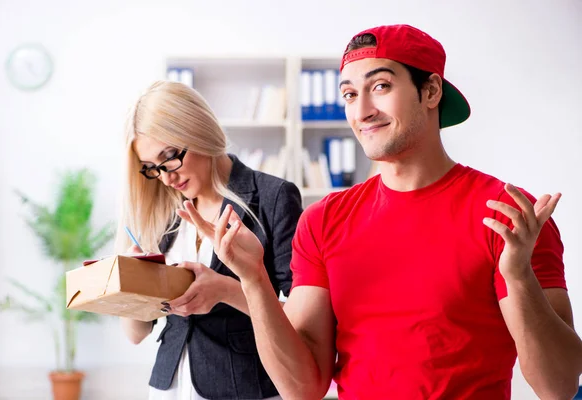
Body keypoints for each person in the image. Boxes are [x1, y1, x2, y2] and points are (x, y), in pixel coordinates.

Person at [180, 24, 582, 399]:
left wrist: (519, 277)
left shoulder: (506, 215)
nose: (362, 111)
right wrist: (253, 278)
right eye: (351, 95)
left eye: (381, 86)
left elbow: (559, 386)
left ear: (431, 92)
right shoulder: (323, 220)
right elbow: (304, 386)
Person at [116, 81, 302, 400]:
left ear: (198, 130)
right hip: (168, 387)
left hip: (243, 387)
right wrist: (133, 289)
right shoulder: (166, 211)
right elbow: (136, 335)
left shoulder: (273, 198)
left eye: (170, 156)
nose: (167, 178)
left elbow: (303, 322)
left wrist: (227, 292)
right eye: (151, 168)